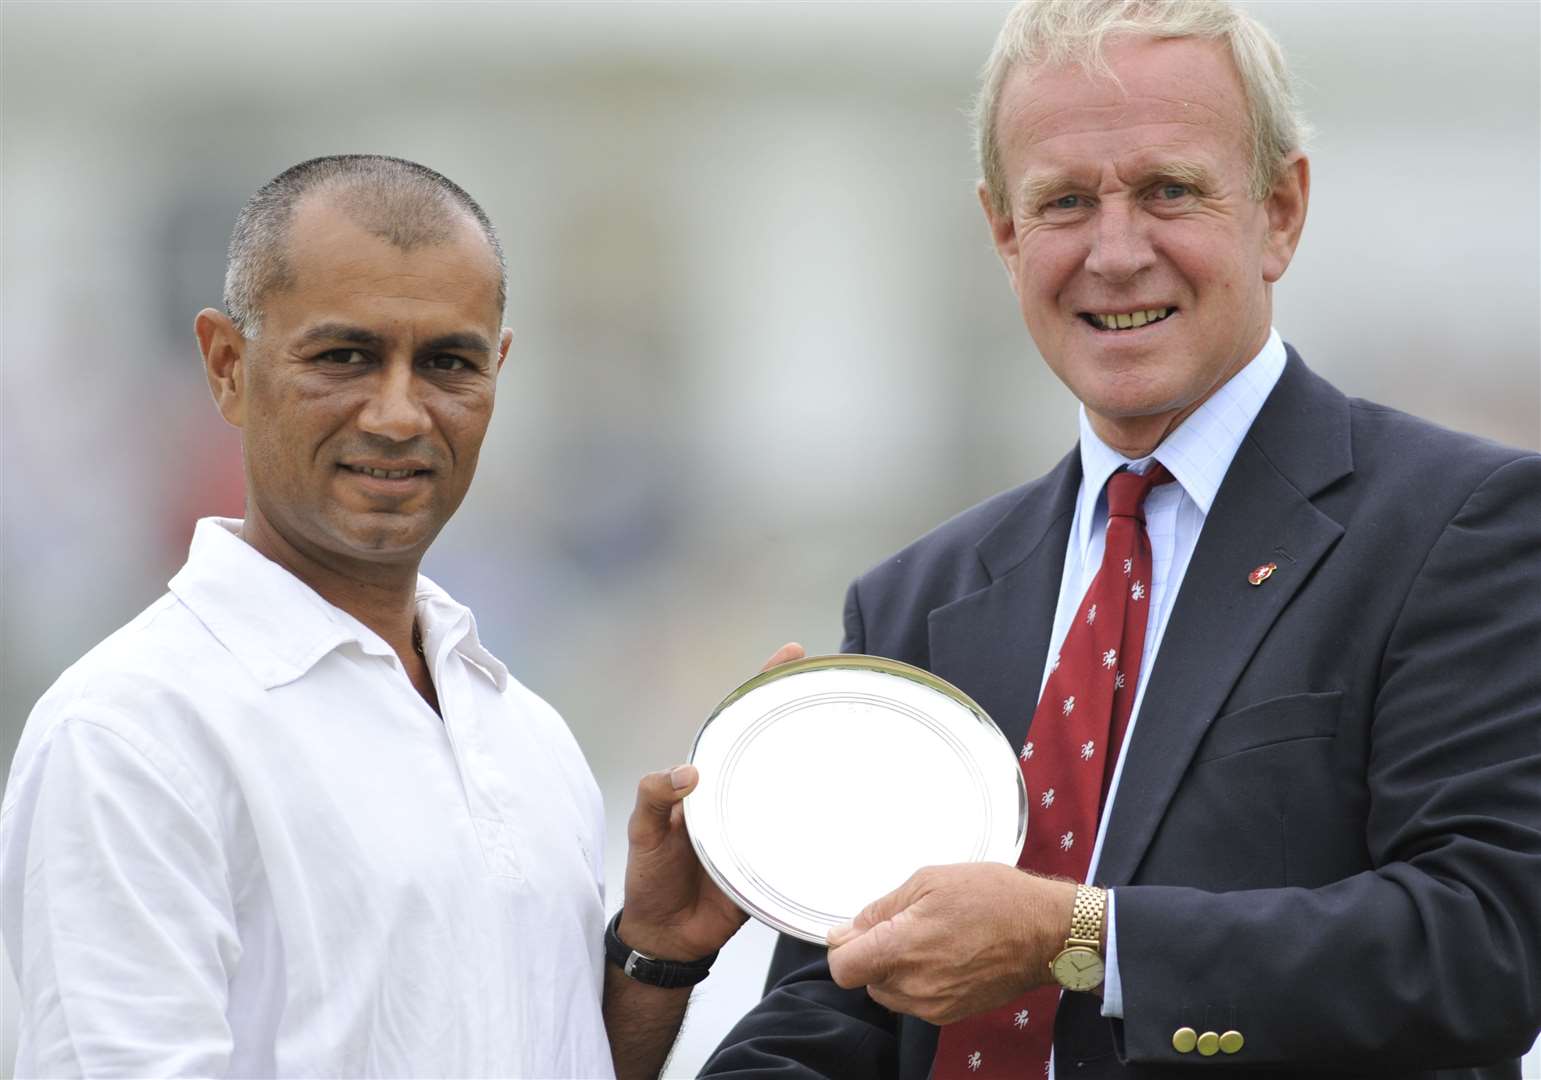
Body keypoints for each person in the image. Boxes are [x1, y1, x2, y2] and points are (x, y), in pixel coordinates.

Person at [702, 2, 1541, 1077]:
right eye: (1060, 202)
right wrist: (653, 957)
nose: (1113, 252)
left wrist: (1079, 939)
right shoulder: (916, 599)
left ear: (1278, 212)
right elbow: (837, 1005)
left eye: (1167, 191)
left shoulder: (1456, 527)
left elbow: (1483, 946)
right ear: (1003, 236)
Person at [0, 154, 796, 1078]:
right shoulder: (133, 736)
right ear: (227, 367)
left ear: (498, 373)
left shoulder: (523, 737)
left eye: (446, 364)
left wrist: (655, 954)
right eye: (344, 357)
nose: (398, 413)